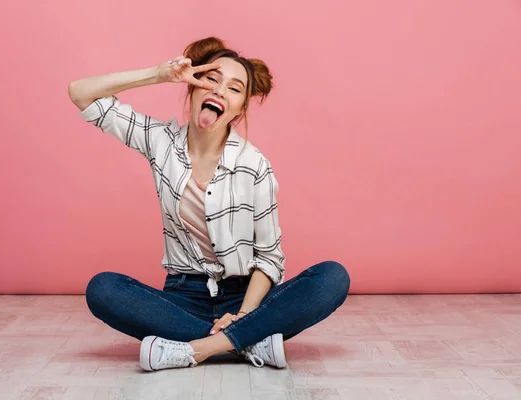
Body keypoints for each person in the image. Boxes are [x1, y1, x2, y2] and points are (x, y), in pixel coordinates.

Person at [68, 37, 350, 372]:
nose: (219, 91)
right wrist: (159, 74)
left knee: (332, 277)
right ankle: (246, 343)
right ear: (193, 87)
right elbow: (80, 92)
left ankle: (198, 348)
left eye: (234, 88)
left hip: (244, 298)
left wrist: (245, 315)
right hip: (182, 298)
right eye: (211, 79)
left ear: (240, 107)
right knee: (103, 289)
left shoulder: (254, 164)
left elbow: (269, 259)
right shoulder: (160, 142)